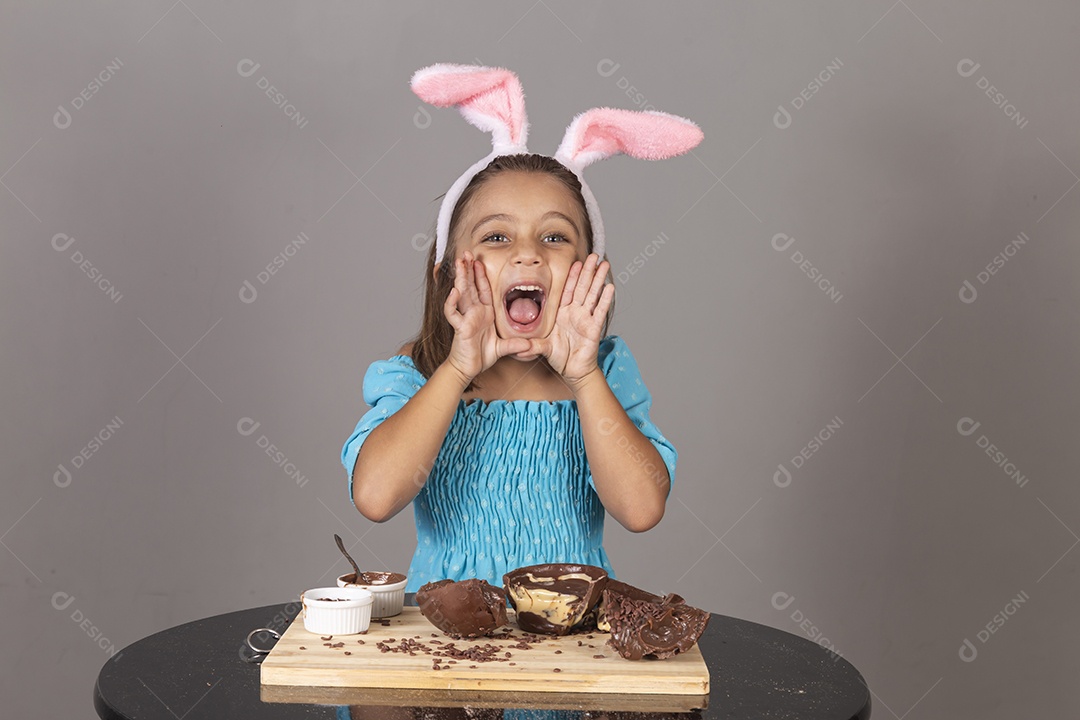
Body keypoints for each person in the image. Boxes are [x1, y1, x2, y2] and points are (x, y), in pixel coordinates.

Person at [341, 63, 702, 594]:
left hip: (573, 641)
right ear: (448, 274)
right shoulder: (418, 372)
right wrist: (458, 367)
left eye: (555, 238)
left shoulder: (603, 372)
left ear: (590, 272)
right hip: (446, 643)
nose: (528, 253)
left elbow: (641, 508)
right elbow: (375, 496)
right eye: (496, 238)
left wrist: (583, 378)